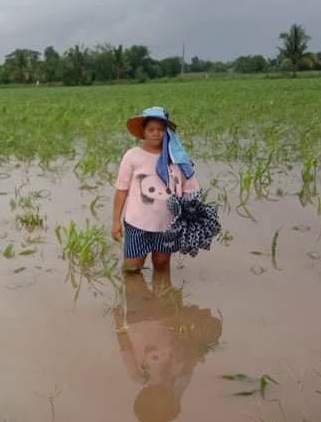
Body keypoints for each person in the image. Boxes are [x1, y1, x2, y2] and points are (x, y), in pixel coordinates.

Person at [114, 270, 222, 422]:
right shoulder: (178, 373)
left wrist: (119, 322)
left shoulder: (138, 375)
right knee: (160, 278)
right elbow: (192, 355)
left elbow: (125, 345)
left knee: (136, 278)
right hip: (163, 316)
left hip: (140, 317)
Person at [112, 106, 202, 276]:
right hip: (137, 223)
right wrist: (116, 221)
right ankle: (135, 292)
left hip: (167, 224)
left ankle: (163, 293)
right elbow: (121, 190)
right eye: (151, 129)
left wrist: (191, 219)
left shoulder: (176, 159)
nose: (156, 133)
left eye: (160, 129)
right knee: (132, 268)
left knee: (162, 264)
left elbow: (189, 191)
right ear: (143, 132)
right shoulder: (133, 156)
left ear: (166, 132)